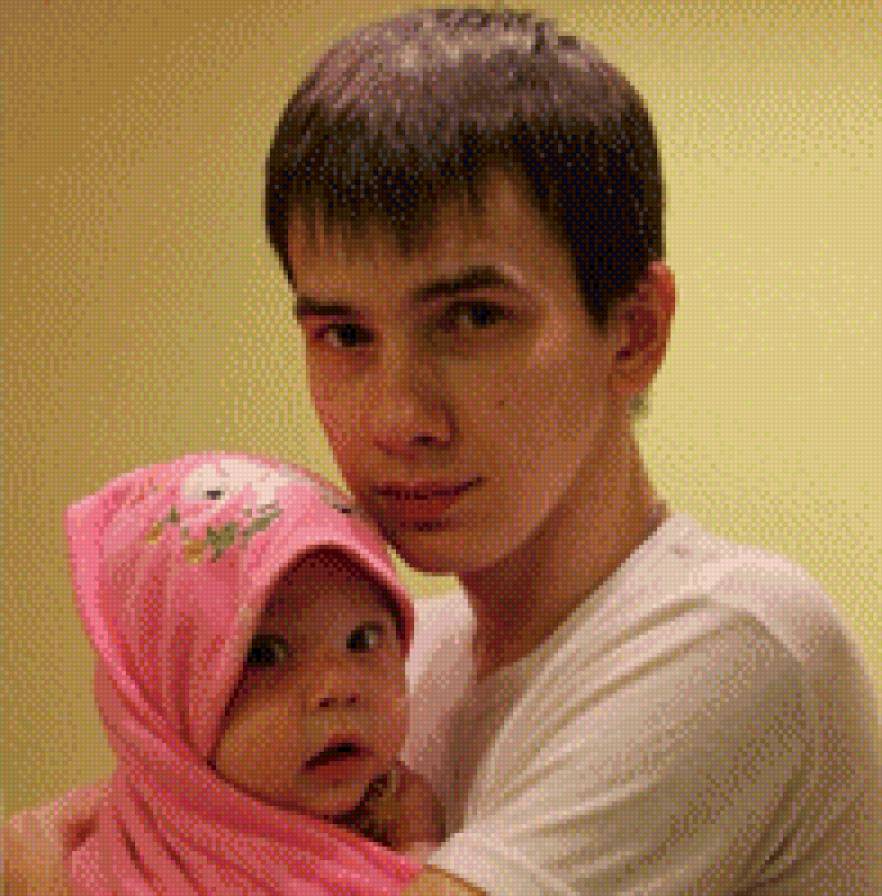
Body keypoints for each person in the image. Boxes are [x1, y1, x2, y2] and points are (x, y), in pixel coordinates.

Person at [4, 7, 881, 895]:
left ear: (633, 332)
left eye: (472, 318)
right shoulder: (398, 671)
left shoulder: (735, 641)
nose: (399, 419)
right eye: (345, 334)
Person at [21, 452, 443, 896]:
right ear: (163, 705)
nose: (338, 688)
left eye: (363, 639)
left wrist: (420, 846)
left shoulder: (400, 812)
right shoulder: (90, 873)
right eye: (265, 655)